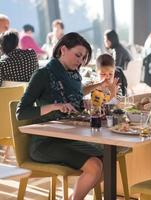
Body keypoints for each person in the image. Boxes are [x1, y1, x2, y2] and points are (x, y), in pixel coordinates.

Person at [16, 32, 103, 200]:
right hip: (44, 143)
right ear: (63, 49)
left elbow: (72, 102)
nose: (80, 61)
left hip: (67, 138)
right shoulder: (43, 75)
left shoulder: (72, 76)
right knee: (94, 166)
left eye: (83, 58)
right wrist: (54, 106)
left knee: (106, 159)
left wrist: (82, 104)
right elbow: (21, 112)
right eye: (78, 55)